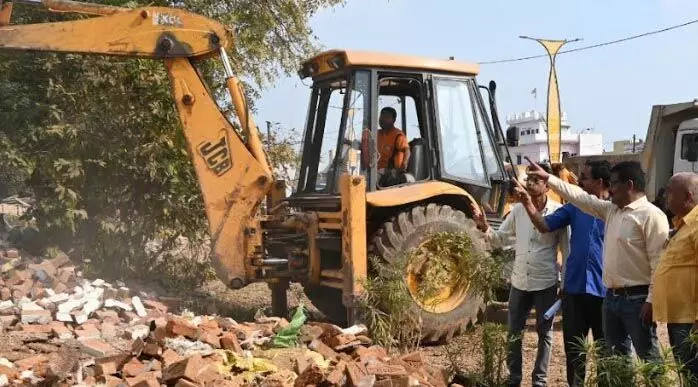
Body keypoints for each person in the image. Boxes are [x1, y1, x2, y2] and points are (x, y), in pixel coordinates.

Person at [525, 159, 669, 364]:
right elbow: (580, 198)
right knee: (616, 360)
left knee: (649, 357)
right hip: (612, 299)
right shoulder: (611, 211)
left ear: (629, 185)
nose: (611, 188)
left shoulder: (651, 216)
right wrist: (549, 178)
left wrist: (651, 301)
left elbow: (659, 263)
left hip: (636, 299)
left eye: (614, 183)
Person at [472, 163, 569, 387]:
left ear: (547, 185)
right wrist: (484, 227)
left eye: (536, 180)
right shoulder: (517, 211)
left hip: (545, 282)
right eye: (529, 180)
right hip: (519, 282)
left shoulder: (558, 213)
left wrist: (564, 281)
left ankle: (540, 381)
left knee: (544, 334)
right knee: (514, 333)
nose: (530, 184)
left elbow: (566, 249)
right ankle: (514, 379)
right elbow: (499, 240)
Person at [515, 160, 610, 387]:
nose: (580, 181)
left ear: (599, 182)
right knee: (574, 353)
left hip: (605, 292)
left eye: (585, 177)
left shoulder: (615, 210)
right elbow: (544, 226)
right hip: (574, 291)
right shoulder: (575, 207)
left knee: (606, 352)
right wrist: (528, 204)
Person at [652, 172, 698, 382]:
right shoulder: (682, 225)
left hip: (691, 320)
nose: (665, 197)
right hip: (679, 316)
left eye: (670, 193)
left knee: (692, 374)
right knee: (686, 373)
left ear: (688, 197)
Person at [360, 106, 410, 174]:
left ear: (394, 120)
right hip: (375, 171)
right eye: (381, 116)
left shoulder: (398, 135)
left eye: (386, 117)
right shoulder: (375, 134)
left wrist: (404, 165)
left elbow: (407, 150)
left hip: (391, 174)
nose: (382, 119)